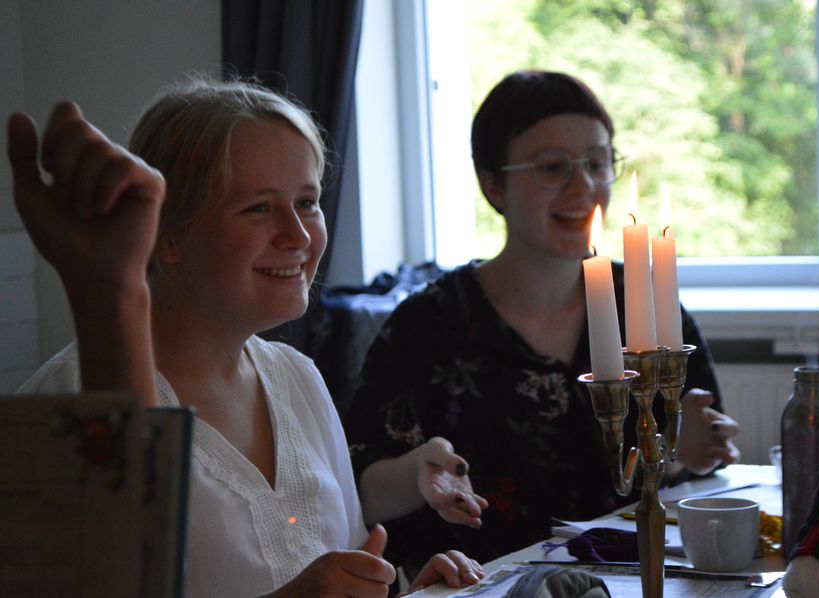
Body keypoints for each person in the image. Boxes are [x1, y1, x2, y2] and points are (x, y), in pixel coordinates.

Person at [9, 77, 486, 597]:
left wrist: (408, 591)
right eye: (259, 207)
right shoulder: (73, 401)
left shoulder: (297, 377)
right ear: (168, 236)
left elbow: (346, 568)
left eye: (307, 202)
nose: (299, 236)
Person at [344, 70, 741, 574]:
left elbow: (694, 467)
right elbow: (360, 492)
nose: (585, 185)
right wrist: (415, 474)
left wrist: (693, 452)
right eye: (553, 167)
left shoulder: (645, 304)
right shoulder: (427, 326)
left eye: (597, 163)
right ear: (494, 187)